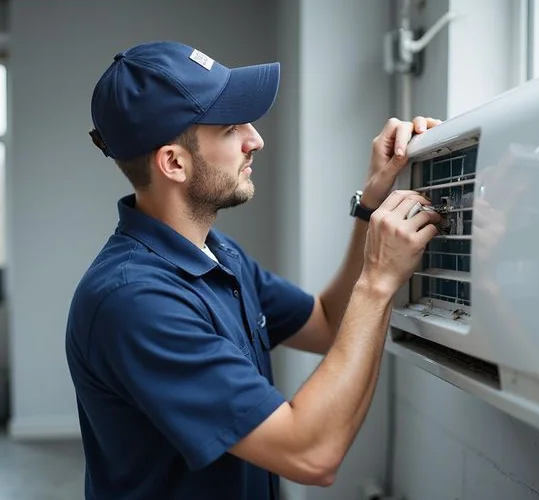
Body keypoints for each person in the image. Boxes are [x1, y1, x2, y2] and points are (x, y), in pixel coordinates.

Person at [65, 40, 442, 500]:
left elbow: (326, 323)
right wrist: (378, 282)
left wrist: (371, 204)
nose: (255, 139)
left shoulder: (218, 255)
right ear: (174, 163)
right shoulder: (134, 301)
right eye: (229, 128)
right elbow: (312, 453)